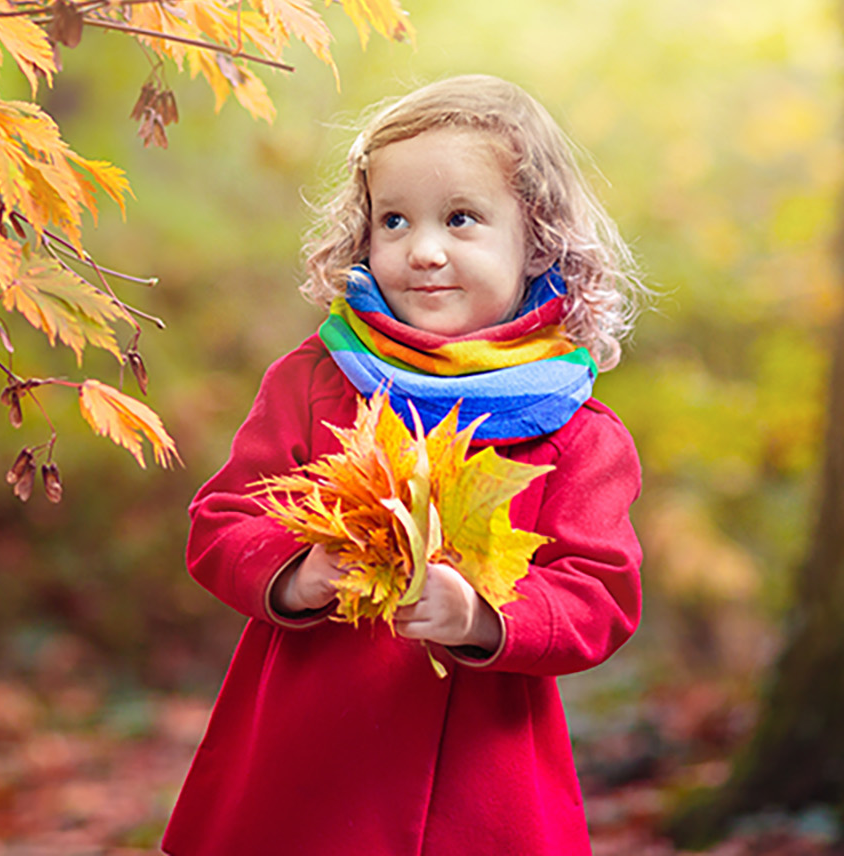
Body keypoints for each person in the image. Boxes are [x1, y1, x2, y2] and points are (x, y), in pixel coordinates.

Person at [161, 74, 647, 856]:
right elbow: (222, 520)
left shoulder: (578, 432)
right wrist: (292, 572)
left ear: (539, 240)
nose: (423, 251)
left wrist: (486, 618)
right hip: (309, 764)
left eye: (462, 219)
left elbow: (601, 593)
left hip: (480, 783)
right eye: (394, 220)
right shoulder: (318, 380)